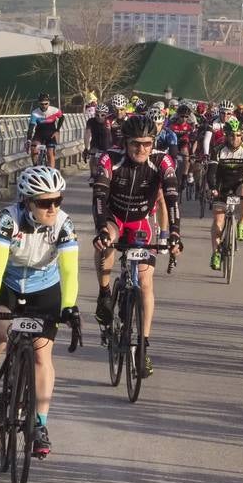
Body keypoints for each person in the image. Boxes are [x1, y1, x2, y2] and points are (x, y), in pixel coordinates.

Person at [0, 166, 82, 459]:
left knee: (41, 355)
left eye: (57, 201)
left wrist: (69, 307)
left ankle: (40, 424)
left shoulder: (63, 223)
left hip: (44, 287)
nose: (52, 208)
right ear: (27, 201)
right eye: (45, 202)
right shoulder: (8, 219)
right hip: (7, 284)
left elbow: (70, 271)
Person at [91, 115, 182, 377]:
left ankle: (143, 345)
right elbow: (99, 196)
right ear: (125, 142)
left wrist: (174, 233)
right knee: (106, 241)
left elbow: (172, 197)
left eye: (146, 143)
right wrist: (100, 230)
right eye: (135, 144)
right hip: (114, 216)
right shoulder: (109, 158)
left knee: (145, 281)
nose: (141, 149)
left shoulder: (161, 160)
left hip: (141, 221)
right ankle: (105, 292)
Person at [206, 117, 243, 268]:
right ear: (226, 135)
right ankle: (216, 253)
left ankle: (241, 224)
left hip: (238, 183)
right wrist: (213, 188)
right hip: (222, 186)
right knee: (218, 221)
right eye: (232, 135)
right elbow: (211, 173)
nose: (235, 138)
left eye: (238, 135)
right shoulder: (218, 150)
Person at [26, 93, 64, 169]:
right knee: (34, 148)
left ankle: (51, 171)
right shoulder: (35, 113)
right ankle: (36, 168)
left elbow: (62, 118)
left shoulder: (54, 110)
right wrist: (29, 140)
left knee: (50, 153)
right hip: (39, 134)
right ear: (38, 103)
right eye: (41, 104)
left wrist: (57, 130)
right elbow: (31, 128)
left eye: (46, 104)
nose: (44, 106)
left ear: (49, 103)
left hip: (51, 134)